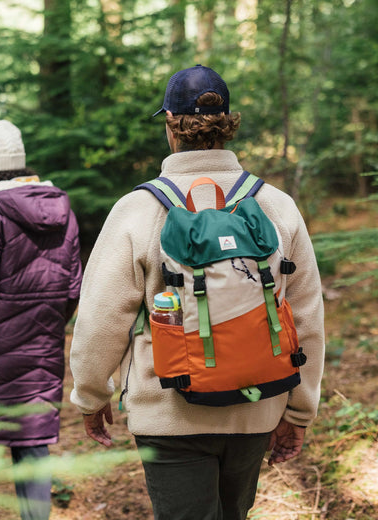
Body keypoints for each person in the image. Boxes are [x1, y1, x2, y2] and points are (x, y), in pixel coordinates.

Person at [69, 65, 325, 520]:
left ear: (170, 125)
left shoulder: (138, 209)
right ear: (228, 125)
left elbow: (101, 316)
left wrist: (91, 395)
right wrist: (299, 412)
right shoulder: (275, 205)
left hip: (169, 413)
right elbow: (305, 316)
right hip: (258, 405)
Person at [0, 120, 82, 520]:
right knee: (31, 453)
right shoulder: (63, 209)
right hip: (40, 357)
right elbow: (72, 290)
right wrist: (46, 327)